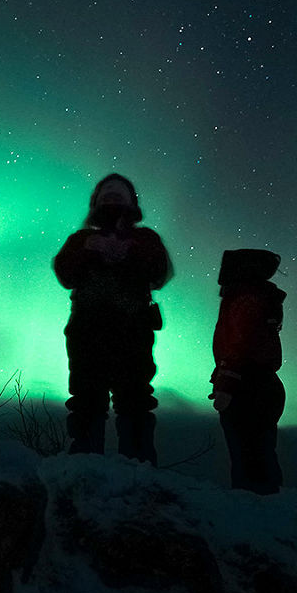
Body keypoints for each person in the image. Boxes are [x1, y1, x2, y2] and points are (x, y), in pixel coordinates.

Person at [53, 174, 172, 464]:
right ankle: (85, 464)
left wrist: (131, 252)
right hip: (86, 333)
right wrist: (88, 249)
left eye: (118, 196)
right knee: (86, 400)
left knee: (134, 401)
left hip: (132, 332)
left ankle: (138, 468)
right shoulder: (81, 240)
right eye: (108, 197)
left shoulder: (145, 239)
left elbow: (159, 272)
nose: (113, 201)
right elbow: (65, 273)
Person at [209, 248, 285, 494]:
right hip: (257, 382)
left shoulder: (246, 299)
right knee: (256, 451)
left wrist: (227, 381)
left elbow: (241, 343)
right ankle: (262, 508)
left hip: (248, 385)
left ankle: (256, 513)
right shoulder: (253, 298)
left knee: (249, 454)